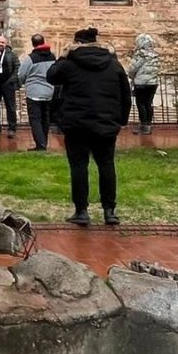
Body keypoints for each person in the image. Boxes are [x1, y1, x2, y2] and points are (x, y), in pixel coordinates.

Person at [47, 27, 131, 227]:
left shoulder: (68, 64)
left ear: (77, 43)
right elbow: (125, 94)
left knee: (79, 166)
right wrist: (121, 120)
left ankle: (81, 210)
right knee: (106, 165)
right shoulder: (113, 64)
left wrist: (62, 56)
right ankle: (109, 211)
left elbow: (51, 76)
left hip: (77, 123)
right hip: (106, 122)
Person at [18, 34, 57, 150]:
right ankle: (44, 141)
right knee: (45, 118)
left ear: (33, 44)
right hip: (49, 91)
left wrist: (23, 83)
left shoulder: (30, 59)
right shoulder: (52, 57)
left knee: (35, 119)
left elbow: (21, 75)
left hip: (34, 92)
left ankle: (40, 145)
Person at [126, 33, 161, 136]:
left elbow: (133, 68)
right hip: (153, 83)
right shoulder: (155, 55)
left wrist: (131, 76)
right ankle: (149, 125)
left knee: (141, 104)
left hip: (141, 83)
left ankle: (144, 126)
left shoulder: (140, 54)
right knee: (148, 103)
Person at [0, 35, 20, 137]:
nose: (0, 44)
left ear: (6, 44)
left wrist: (12, 80)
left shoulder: (11, 54)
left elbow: (17, 66)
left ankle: (12, 128)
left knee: (10, 107)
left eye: (2, 42)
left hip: (8, 84)